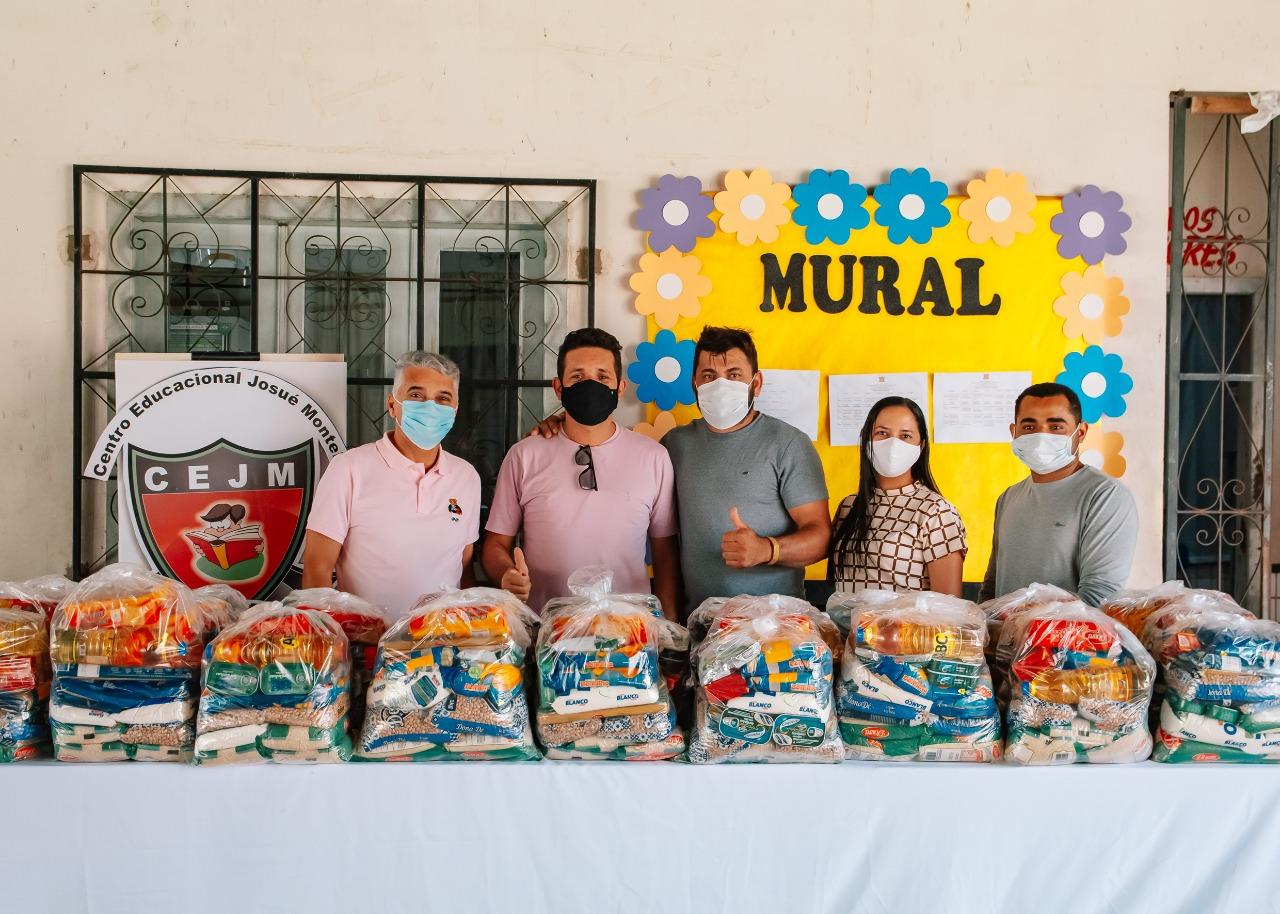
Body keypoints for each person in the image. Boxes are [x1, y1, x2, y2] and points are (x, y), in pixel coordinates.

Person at [482, 328, 681, 617]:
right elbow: (495, 545)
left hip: (630, 635)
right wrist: (506, 574)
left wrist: (669, 628)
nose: (591, 385)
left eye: (602, 377)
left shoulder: (653, 457)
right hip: (545, 633)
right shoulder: (524, 455)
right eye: (577, 376)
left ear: (620, 388)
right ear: (559, 387)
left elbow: (665, 553)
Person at [662, 326, 831, 614]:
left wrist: (767, 550)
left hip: (778, 628)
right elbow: (663, 542)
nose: (721, 384)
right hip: (701, 626)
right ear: (694, 384)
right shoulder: (674, 446)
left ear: (756, 382)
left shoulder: (788, 444)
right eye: (709, 376)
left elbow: (821, 538)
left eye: (734, 375)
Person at [302, 351, 481, 618]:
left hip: (442, 647)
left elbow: (463, 569)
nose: (430, 407)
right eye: (416, 395)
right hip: (366, 645)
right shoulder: (349, 469)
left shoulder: (467, 478)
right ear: (392, 404)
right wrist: (334, 640)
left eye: (443, 398)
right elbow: (317, 567)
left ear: (455, 410)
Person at [979, 381, 1138, 607]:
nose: (1042, 436)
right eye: (1029, 427)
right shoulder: (1008, 498)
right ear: (1014, 432)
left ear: (1080, 432)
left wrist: (1023, 629)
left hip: (1070, 642)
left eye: (1055, 427)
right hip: (1005, 641)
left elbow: (1098, 597)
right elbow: (992, 588)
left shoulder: (1105, 496)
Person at [829, 396, 966, 596]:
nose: (892, 444)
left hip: (904, 628)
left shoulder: (936, 511)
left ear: (922, 445)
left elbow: (948, 607)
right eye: (882, 433)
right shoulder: (849, 506)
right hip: (849, 627)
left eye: (905, 436)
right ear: (867, 439)